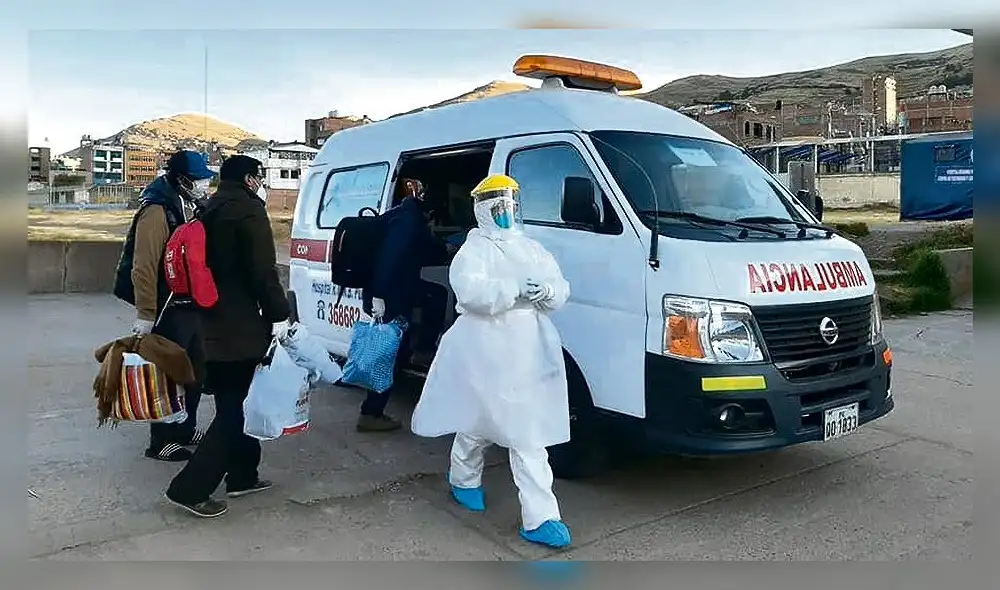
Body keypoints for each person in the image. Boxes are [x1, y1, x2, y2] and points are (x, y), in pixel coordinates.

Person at [410, 174, 574, 549]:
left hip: (529, 347)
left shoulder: (532, 247)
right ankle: (479, 486)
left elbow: (559, 287)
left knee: (518, 428)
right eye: (498, 206)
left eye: (510, 205)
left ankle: (527, 510)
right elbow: (469, 293)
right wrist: (512, 290)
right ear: (483, 209)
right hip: (486, 347)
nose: (506, 212)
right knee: (487, 420)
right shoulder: (475, 250)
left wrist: (547, 291)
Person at [164, 155, 290, 518]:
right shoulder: (248, 211)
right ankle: (190, 488)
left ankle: (242, 476)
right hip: (241, 327)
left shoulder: (209, 208)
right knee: (236, 411)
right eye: (260, 176)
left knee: (234, 402)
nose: (261, 183)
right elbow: (263, 271)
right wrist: (279, 314)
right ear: (250, 179)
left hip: (210, 323)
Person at [115, 149, 216, 462]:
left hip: (190, 305)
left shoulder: (190, 205)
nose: (203, 184)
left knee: (195, 371)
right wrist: (146, 313)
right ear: (182, 179)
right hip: (167, 307)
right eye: (198, 179)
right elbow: (143, 265)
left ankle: (185, 427)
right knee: (166, 373)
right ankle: (161, 440)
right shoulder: (157, 211)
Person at [359, 178, 450, 432]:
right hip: (389, 295)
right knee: (392, 353)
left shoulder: (404, 215)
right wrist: (377, 296)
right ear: (429, 212)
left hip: (399, 290)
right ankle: (371, 412)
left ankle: (422, 346)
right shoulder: (409, 223)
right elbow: (390, 258)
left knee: (435, 295)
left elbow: (425, 250)